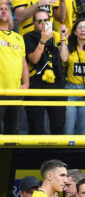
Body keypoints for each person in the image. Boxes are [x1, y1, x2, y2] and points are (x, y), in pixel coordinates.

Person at [24, 8, 68, 135]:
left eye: (46, 20)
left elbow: (64, 57)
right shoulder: (28, 37)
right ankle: (37, 154)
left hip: (57, 83)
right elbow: (34, 59)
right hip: (37, 84)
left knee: (58, 125)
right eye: (40, 20)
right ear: (34, 23)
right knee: (36, 126)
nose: (43, 23)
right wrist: (43, 40)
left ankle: (56, 155)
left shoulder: (56, 35)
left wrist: (63, 38)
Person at [0, 0, 30, 135]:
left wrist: (26, 83)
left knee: (12, 132)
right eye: (0, 8)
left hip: (15, 92)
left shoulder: (18, 37)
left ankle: (9, 158)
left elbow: (23, 63)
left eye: (6, 8)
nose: (4, 10)